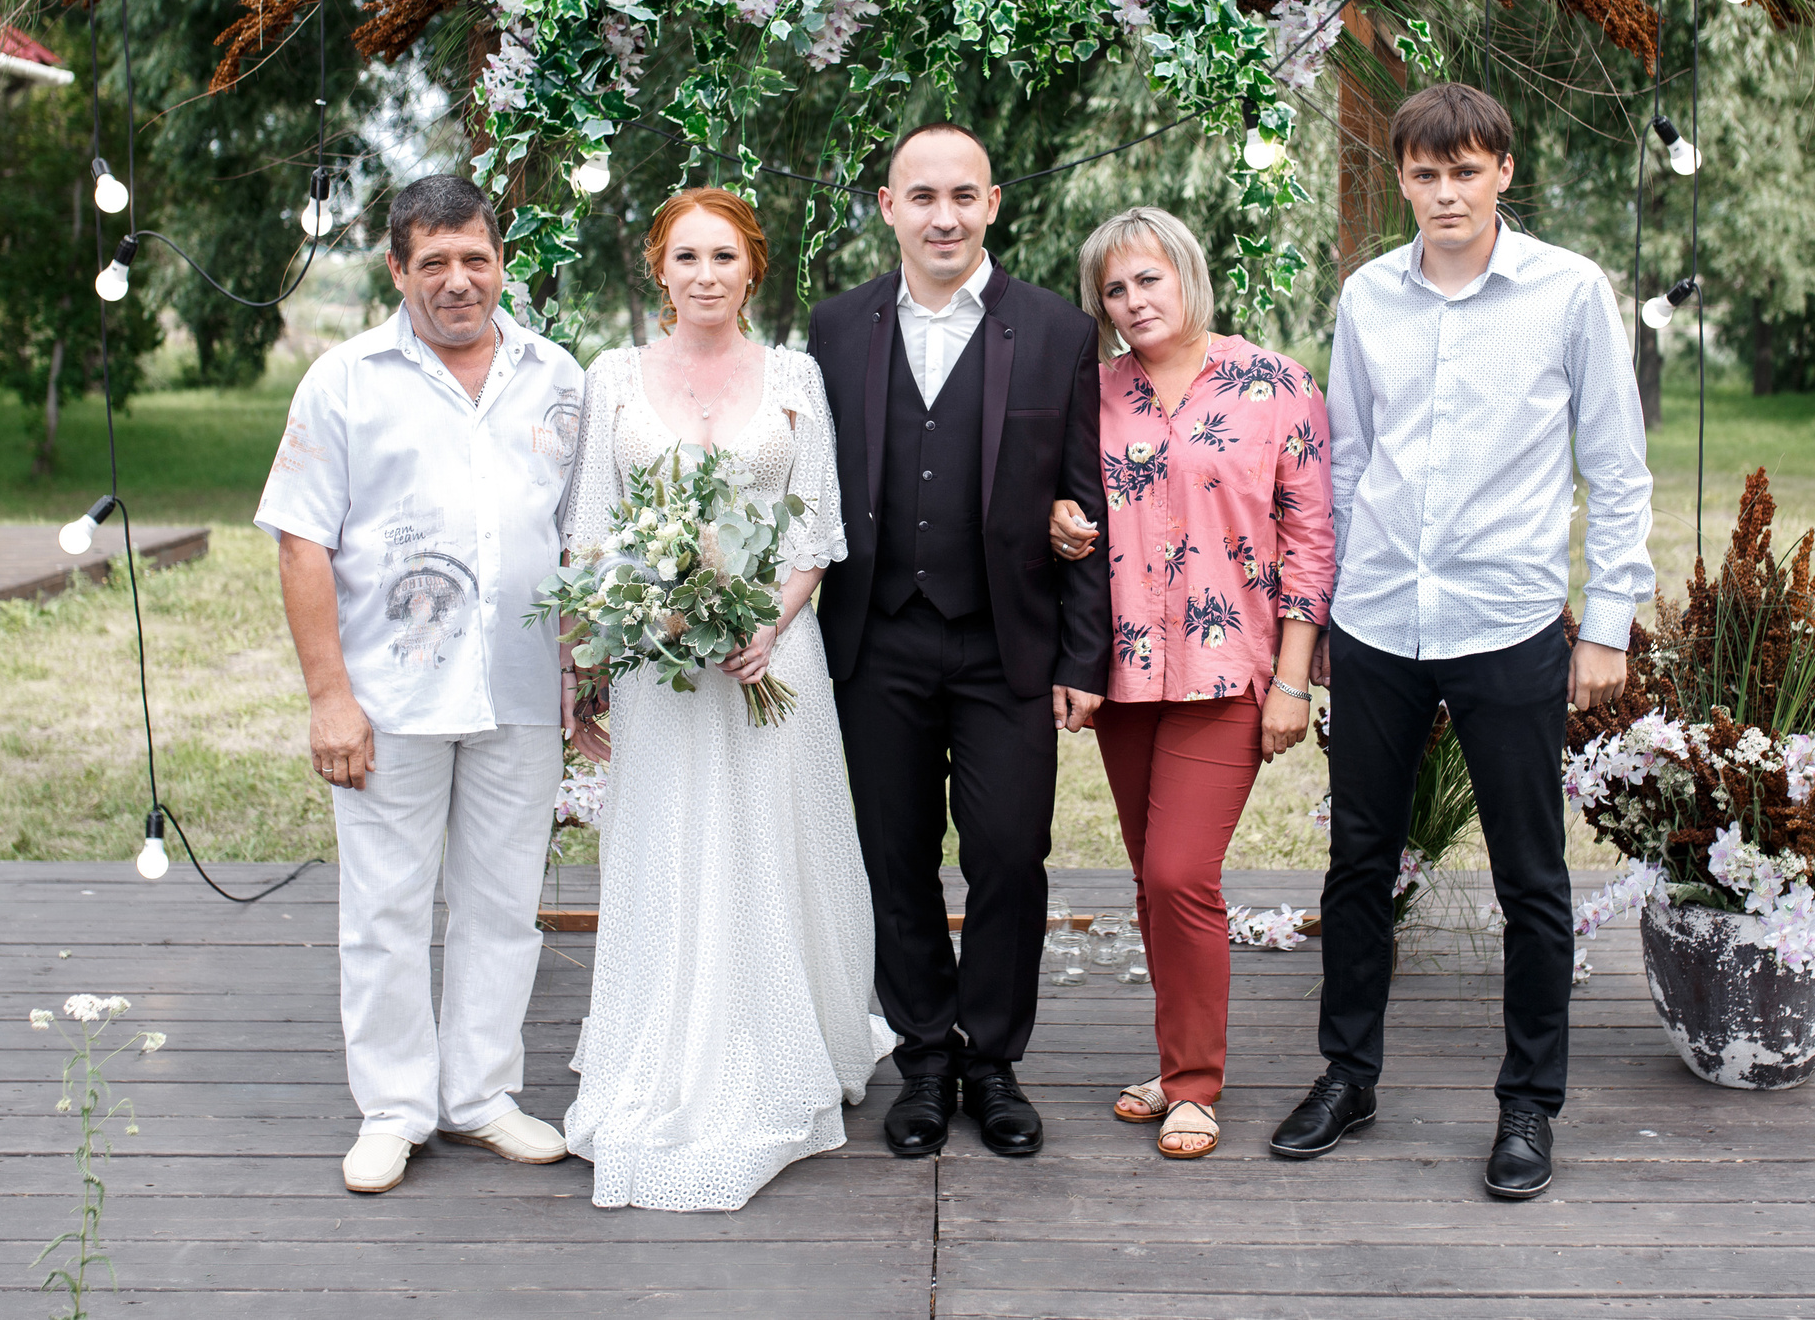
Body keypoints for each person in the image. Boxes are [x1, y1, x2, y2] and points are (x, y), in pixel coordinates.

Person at [1272, 82, 1653, 1199]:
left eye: (1466, 171)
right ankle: (1347, 1077)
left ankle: (1528, 1105)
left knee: (1528, 875)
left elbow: (1615, 470)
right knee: (1357, 863)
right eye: (1427, 175)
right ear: (1404, 180)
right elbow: (1345, 465)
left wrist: (1609, 625)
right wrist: (1331, 610)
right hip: (1382, 619)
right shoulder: (1368, 298)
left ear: (1503, 173)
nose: (1446, 193)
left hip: (1508, 619)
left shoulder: (1570, 295)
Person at [557, 187, 894, 1212]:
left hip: (770, 660)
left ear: (754, 269)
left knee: (768, 842)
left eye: (725, 257)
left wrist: (766, 624)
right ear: (658, 269)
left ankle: (779, 1034)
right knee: (668, 846)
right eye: (687, 257)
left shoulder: (793, 374)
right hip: (659, 669)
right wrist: (608, 649)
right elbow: (590, 531)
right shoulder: (611, 377)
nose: (706, 275)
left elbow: (816, 530)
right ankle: (663, 1041)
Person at [256, 173, 587, 1196]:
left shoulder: (558, 377)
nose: (457, 280)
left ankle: (482, 1095)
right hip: (390, 698)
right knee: (387, 907)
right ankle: (395, 1108)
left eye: (474, 258)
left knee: (501, 907)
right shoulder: (345, 380)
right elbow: (302, 541)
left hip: (522, 688)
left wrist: (585, 676)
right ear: (398, 269)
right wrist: (328, 698)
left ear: (502, 262)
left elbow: (578, 540)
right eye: (432, 261)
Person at [806, 122, 1112, 1160]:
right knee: (892, 858)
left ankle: (994, 1058)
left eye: (963, 196)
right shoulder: (835, 329)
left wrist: (1082, 658)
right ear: (887, 206)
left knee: (1007, 858)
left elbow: (1086, 500)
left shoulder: (1059, 332)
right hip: (875, 639)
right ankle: (923, 1056)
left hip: (1004, 647)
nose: (944, 215)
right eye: (921, 195)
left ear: (993, 206)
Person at [1045, 206, 1333, 1161]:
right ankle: (1176, 1064)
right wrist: (1058, 519)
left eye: (1148, 281)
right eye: (1114, 289)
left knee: (1179, 872)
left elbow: (1310, 540)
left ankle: (1197, 1086)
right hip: (1124, 668)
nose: (1132, 302)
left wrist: (1293, 679)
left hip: (1229, 668)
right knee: (1150, 878)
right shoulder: (1086, 394)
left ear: (1187, 276)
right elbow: (1052, 499)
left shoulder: (1275, 383)